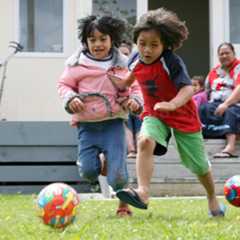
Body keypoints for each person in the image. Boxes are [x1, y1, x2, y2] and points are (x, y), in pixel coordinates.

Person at [108, 8, 226, 217]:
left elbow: (188, 88)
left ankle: (212, 197)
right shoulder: (135, 59)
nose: (146, 50)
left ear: (165, 45)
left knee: (199, 166)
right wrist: (122, 83)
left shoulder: (171, 61)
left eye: (154, 45)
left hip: (182, 115)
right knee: (144, 140)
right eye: (142, 43)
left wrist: (172, 104)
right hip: (156, 113)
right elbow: (133, 74)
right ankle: (143, 192)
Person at [57, 15, 143, 217]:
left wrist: (135, 102)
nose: (97, 44)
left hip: (113, 125)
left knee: (118, 175)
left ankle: (123, 205)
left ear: (112, 39)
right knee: (88, 172)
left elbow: (136, 86)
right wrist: (70, 98)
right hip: (87, 126)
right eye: (92, 39)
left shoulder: (123, 65)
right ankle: (101, 162)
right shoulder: (77, 64)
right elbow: (63, 85)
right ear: (85, 41)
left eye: (103, 39)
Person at [199, 42, 240, 158]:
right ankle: (204, 145)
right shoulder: (214, 71)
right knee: (202, 109)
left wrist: (226, 104)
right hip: (216, 104)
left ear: (234, 53)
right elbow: (207, 91)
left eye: (227, 53)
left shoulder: (238, 67)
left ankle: (230, 147)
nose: (224, 56)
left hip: (235, 104)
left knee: (231, 111)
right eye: (221, 54)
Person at [119, 40, 142, 158]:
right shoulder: (132, 68)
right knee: (128, 126)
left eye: (126, 53)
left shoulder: (130, 68)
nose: (123, 56)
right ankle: (132, 150)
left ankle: (137, 150)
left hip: (136, 101)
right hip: (126, 102)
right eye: (121, 53)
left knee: (137, 126)